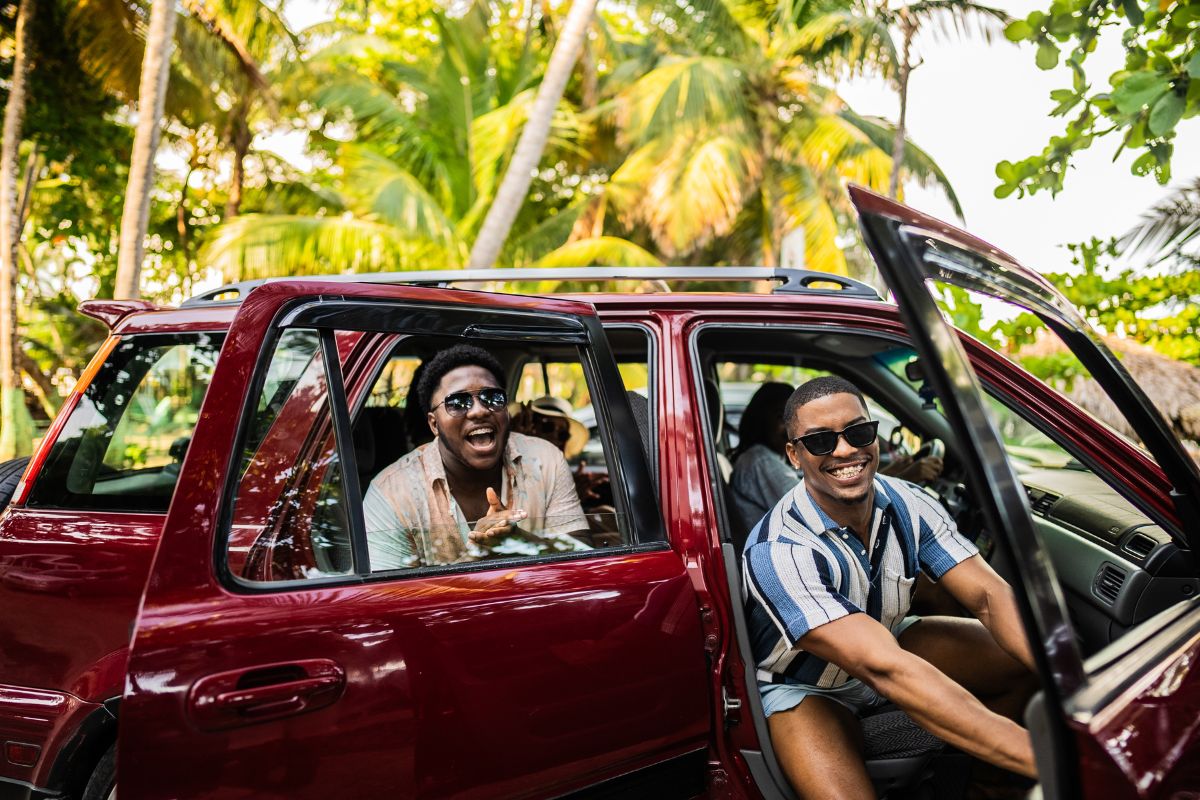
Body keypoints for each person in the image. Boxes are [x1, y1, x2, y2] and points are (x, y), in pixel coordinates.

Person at [743, 376, 1037, 799]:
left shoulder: (909, 501)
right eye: (821, 441)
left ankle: (986, 787)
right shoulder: (779, 549)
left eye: (858, 432)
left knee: (1027, 659)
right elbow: (885, 668)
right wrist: (1045, 755)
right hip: (806, 685)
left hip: (891, 641)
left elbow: (990, 597)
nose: (845, 450)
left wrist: (1076, 689)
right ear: (794, 454)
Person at [363, 344, 588, 570]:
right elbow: (391, 599)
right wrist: (477, 557)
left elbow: (585, 559)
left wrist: (522, 542)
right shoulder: (391, 493)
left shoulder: (545, 460)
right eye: (458, 402)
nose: (479, 410)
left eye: (492, 397)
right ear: (434, 424)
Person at [729, 381, 945, 526]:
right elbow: (820, 508)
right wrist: (907, 477)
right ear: (759, 420)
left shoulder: (768, 458)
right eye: (779, 418)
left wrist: (896, 471)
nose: (787, 429)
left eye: (790, 421)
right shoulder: (759, 461)